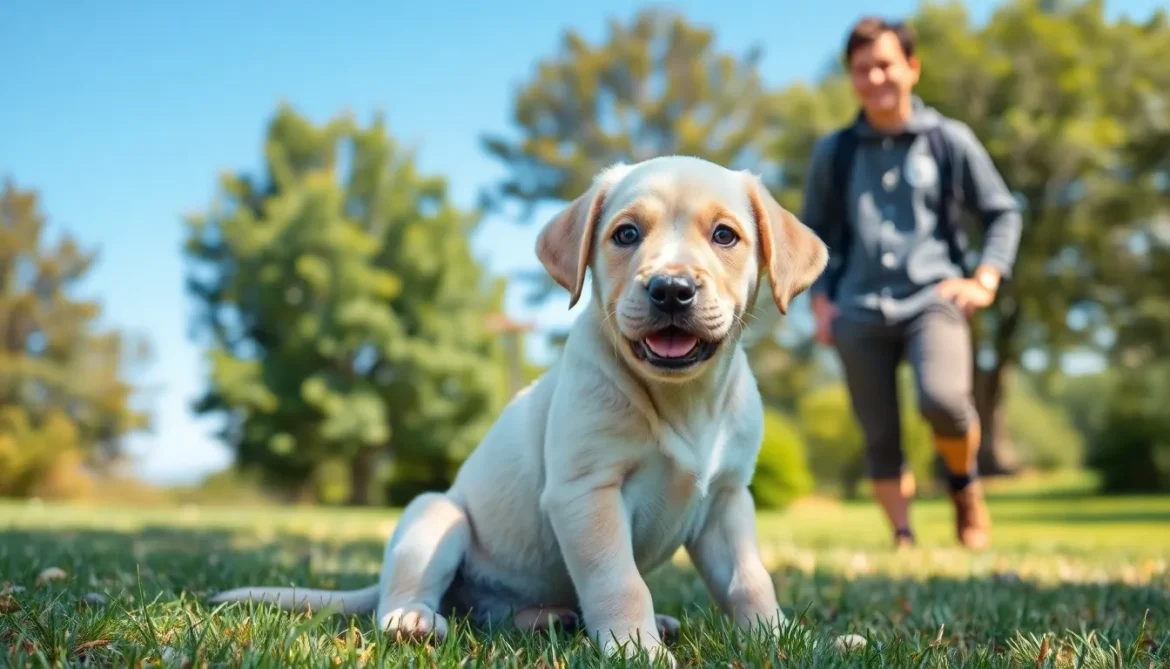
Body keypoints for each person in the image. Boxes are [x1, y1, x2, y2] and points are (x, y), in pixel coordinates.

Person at [800, 16, 1022, 550]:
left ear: (912, 68)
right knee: (880, 434)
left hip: (934, 297)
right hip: (857, 306)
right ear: (850, 77)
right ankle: (903, 536)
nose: (874, 78)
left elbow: (1002, 212)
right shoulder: (836, 151)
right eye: (861, 69)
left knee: (944, 399)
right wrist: (822, 303)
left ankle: (965, 489)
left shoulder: (949, 140)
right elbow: (812, 236)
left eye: (885, 65)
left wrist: (985, 279)